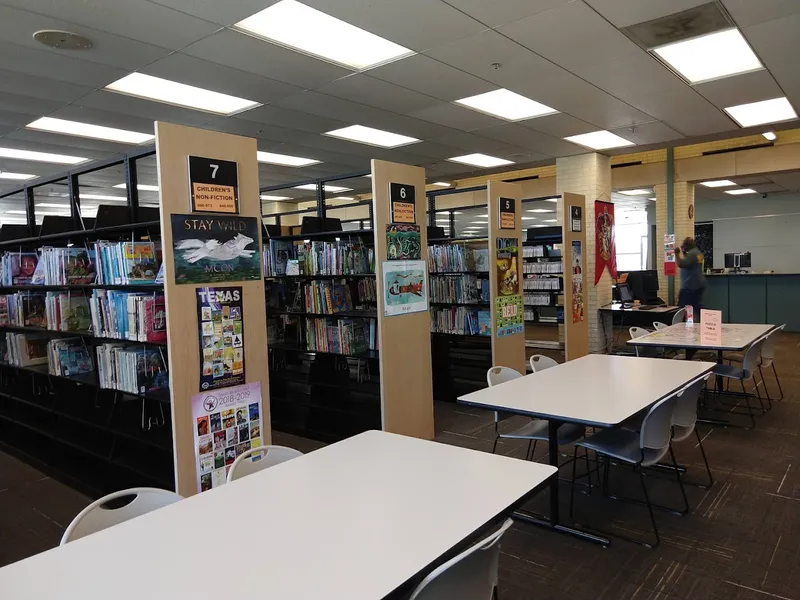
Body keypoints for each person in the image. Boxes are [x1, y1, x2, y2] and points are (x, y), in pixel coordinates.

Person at [675, 237, 706, 317]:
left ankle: (686, 325)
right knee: (695, 306)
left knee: (683, 308)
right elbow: (691, 263)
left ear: (687, 245)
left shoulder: (692, 254)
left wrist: (677, 254)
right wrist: (684, 252)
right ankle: (698, 323)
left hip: (690, 286)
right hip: (698, 284)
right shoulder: (698, 253)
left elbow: (681, 264)